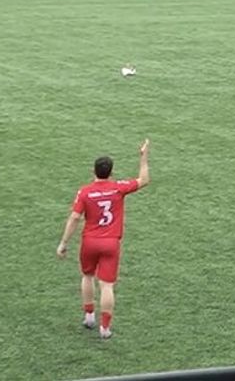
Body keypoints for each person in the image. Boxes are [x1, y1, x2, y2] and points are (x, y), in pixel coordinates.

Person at [56, 139, 151, 339]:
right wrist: (143, 156)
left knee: (87, 276)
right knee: (107, 285)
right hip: (111, 243)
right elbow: (143, 179)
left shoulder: (85, 192)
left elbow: (74, 217)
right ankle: (105, 328)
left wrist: (64, 243)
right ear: (111, 172)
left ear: (93, 171)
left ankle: (89, 315)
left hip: (90, 241)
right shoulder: (118, 188)